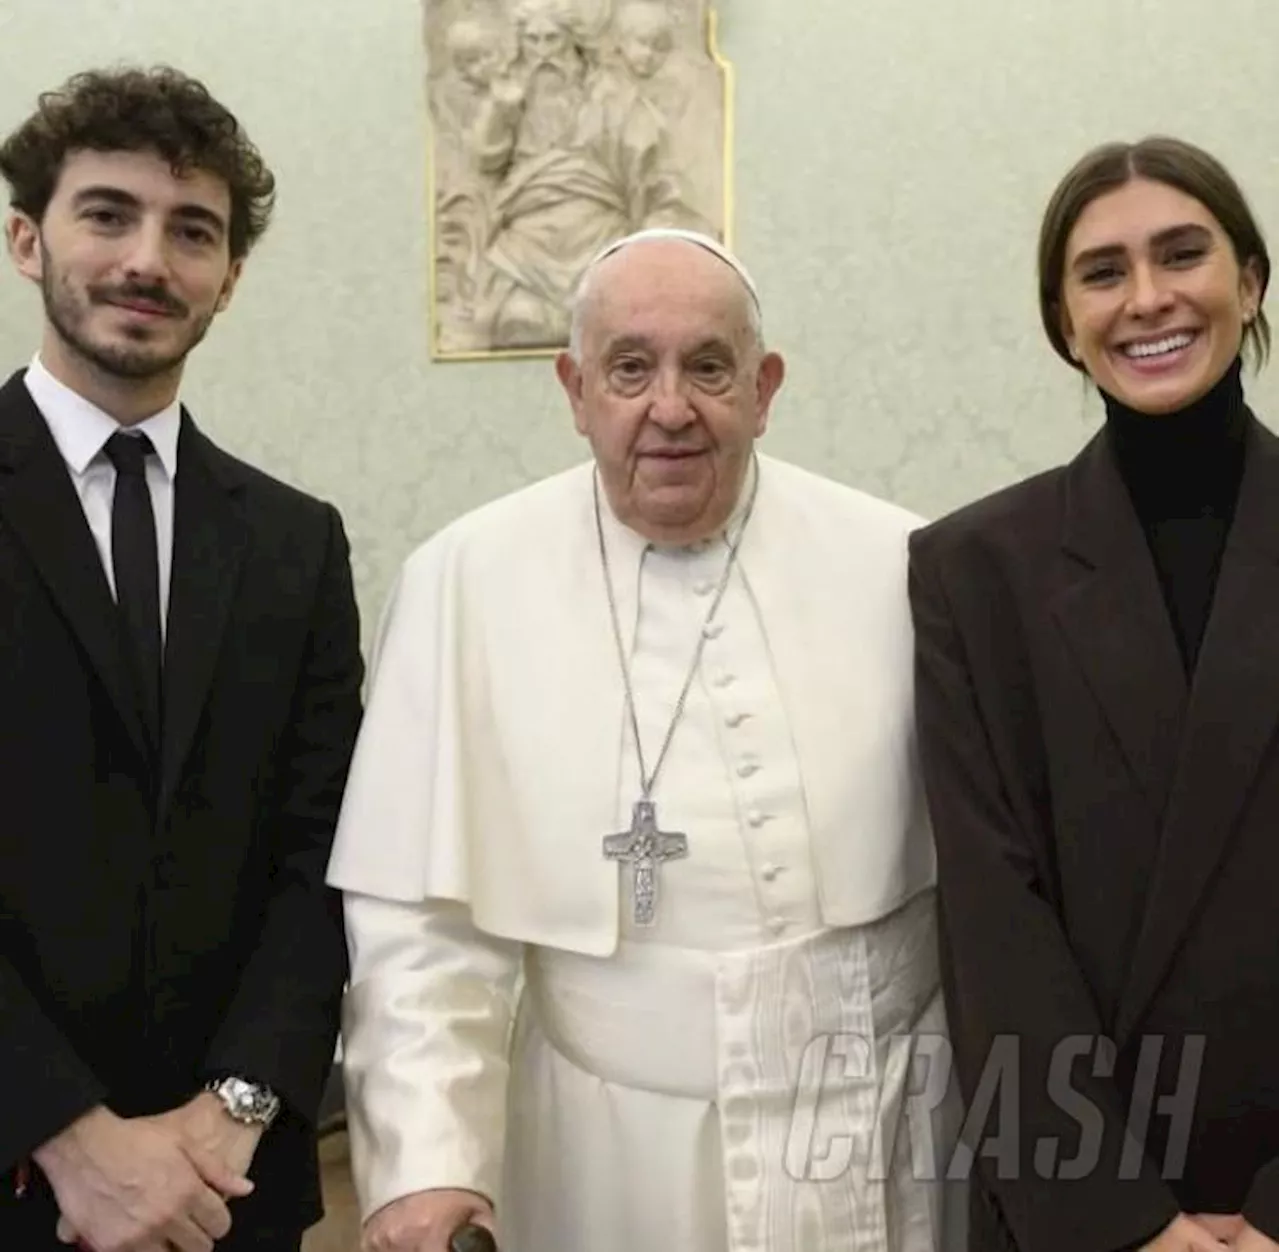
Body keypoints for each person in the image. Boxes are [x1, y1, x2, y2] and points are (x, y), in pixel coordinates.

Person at [328, 227, 964, 1252]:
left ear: (763, 386)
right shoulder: (464, 581)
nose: (669, 407)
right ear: (574, 390)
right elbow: (419, 925)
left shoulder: (908, 562)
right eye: (630, 368)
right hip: (601, 1144)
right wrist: (424, 1162)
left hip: (879, 1116)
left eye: (707, 367)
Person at [0, 67, 364, 1252]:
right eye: (107, 214)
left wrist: (235, 1109)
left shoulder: (294, 542)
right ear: (25, 238)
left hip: (230, 1196)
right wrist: (65, 1130)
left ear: (229, 278)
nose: (147, 260)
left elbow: (324, 855)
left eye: (191, 231)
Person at [908, 135, 1280, 1252]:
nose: (1146, 298)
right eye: (1101, 271)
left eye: (1182, 254)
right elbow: (990, 919)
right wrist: (1127, 1223)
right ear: (1060, 319)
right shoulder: (971, 568)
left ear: (1249, 281)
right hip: (1075, 1191)